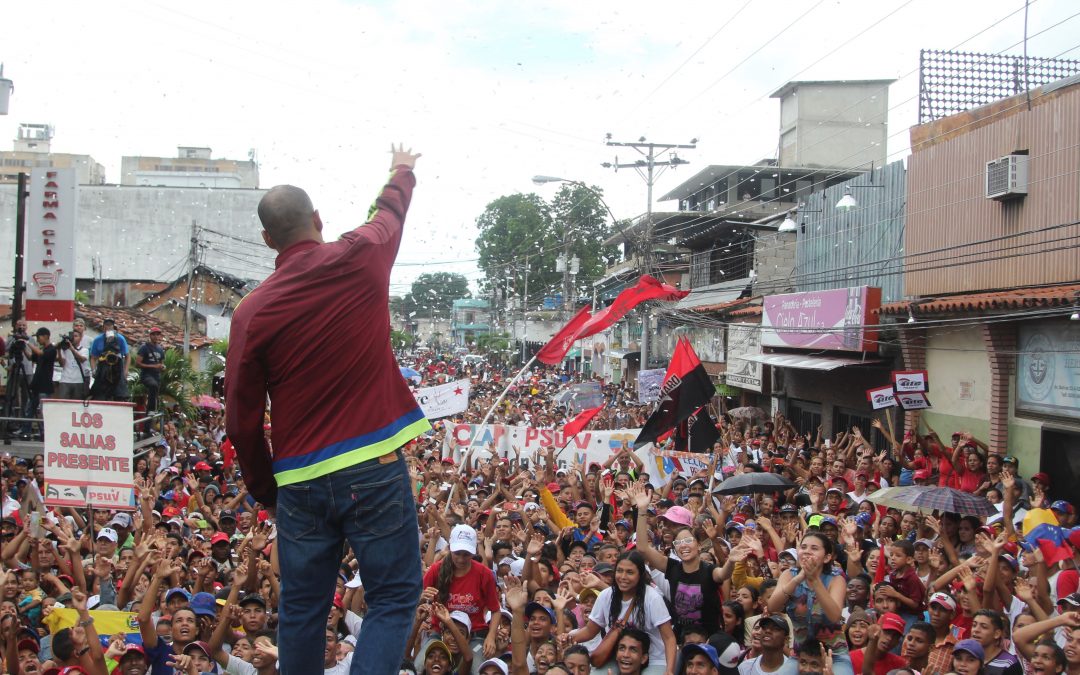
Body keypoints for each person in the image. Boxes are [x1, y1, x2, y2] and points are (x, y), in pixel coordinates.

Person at [226, 145, 430, 675]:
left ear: (268, 240)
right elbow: (388, 214)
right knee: (392, 596)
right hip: (374, 466)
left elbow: (240, 421)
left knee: (301, 610)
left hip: (301, 481)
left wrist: (268, 490)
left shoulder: (253, 311)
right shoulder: (359, 254)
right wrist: (400, 170)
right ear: (318, 220)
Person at [22, 327, 60, 439]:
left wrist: (27, 342)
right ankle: (25, 430)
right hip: (36, 384)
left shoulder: (51, 350)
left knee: (43, 411)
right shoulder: (42, 350)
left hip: (45, 385)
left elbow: (41, 353)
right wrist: (23, 347)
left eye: (38, 337)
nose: (38, 340)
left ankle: (44, 432)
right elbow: (30, 357)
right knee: (30, 409)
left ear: (45, 336)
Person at [89, 317, 130, 401]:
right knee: (99, 394)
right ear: (103, 327)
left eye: (110, 325)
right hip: (103, 368)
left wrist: (125, 371)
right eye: (106, 325)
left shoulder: (120, 338)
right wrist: (93, 370)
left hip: (117, 368)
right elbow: (93, 357)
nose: (108, 327)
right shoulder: (98, 339)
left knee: (120, 394)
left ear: (113, 327)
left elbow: (127, 356)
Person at [56, 321, 90, 400]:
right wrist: (59, 350)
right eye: (72, 336)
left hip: (78, 381)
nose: (73, 338)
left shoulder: (84, 350)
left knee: (76, 405)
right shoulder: (65, 349)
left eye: (76, 336)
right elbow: (62, 364)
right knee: (63, 403)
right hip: (65, 380)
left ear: (80, 338)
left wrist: (72, 349)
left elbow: (82, 359)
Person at [135, 327, 166, 413]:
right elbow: (137, 363)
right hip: (146, 375)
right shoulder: (144, 347)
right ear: (150, 335)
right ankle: (151, 410)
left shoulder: (160, 349)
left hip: (157, 376)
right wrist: (153, 366)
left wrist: (162, 367)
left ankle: (149, 420)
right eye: (154, 334)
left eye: (158, 334)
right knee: (153, 385)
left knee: (156, 394)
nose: (156, 336)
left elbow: (161, 363)